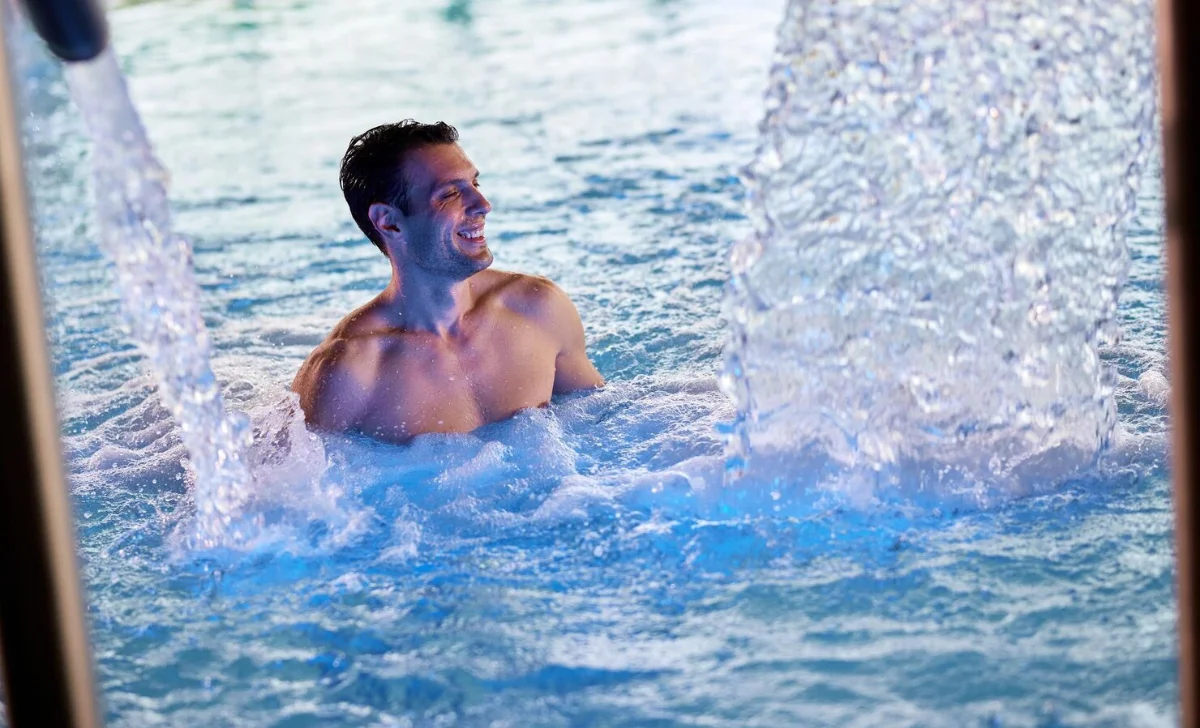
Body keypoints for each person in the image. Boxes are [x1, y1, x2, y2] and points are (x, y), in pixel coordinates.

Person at [292, 120, 604, 442]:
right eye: (450, 193)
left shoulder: (538, 309)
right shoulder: (349, 374)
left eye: (475, 183)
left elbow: (601, 424)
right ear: (389, 222)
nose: (483, 205)